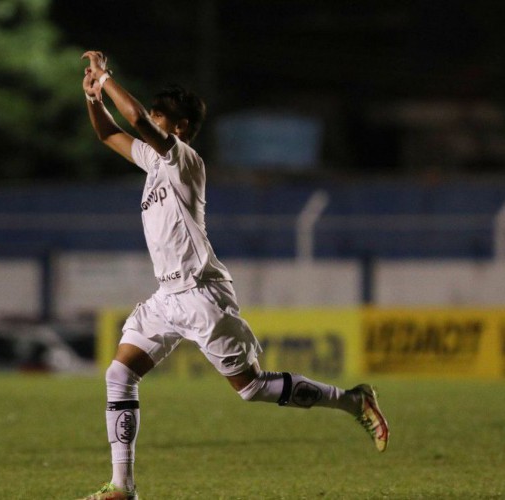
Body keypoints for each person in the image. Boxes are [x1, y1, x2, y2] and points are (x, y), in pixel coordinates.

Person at [78, 51, 390, 500]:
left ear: (179, 128)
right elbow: (110, 132)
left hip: (202, 293)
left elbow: (136, 120)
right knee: (119, 374)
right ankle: (122, 488)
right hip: (167, 297)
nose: (150, 121)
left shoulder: (185, 160)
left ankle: (354, 400)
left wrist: (106, 77)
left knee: (251, 389)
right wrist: (93, 98)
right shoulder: (153, 164)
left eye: (160, 117)